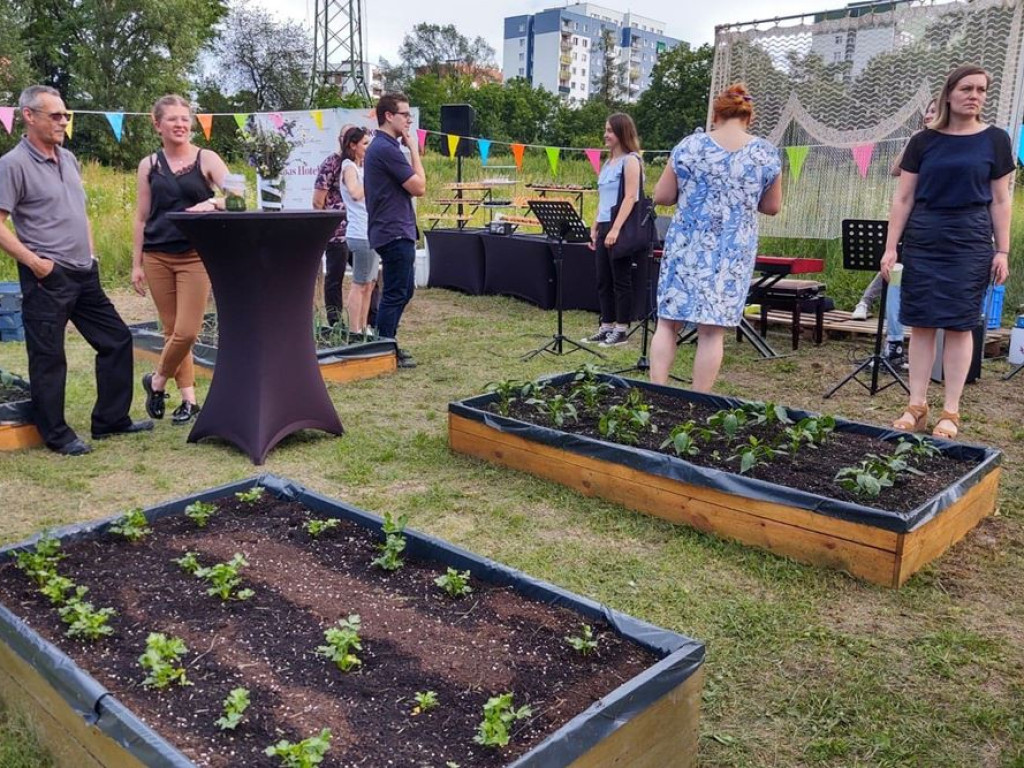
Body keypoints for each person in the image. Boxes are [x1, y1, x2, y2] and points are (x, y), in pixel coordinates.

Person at [0, 85, 152, 455]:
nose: (63, 121)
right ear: (28, 116)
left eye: (65, 115)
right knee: (49, 356)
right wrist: (36, 263)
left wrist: (93, 254)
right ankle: (56, 434)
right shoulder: (12, 165)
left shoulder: (68, 159)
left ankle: (110, 420)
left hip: (85, 273)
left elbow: (79, 212)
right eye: (55, 115)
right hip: (46, 277)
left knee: (116, 339)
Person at [882, 65, 1013, 440]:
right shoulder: (923, 141)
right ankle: (916, 405)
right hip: (925, 236)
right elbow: (903, 197)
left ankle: (950, 411)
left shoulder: (995, 140)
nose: (975, 96)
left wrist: (1001, 250)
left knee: (959, 325)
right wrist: (891, 247)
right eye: (967, 89)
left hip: (970, 239)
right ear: (949, 94)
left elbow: (1001, 200)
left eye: (982, 90)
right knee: (921, 322)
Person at [649, 84, 782, 391]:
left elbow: (663, 195)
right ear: (748, 117)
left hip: (687, 246)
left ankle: (657, 394)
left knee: (668, 323)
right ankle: (698, 400)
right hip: (731, 251)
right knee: (712, 332)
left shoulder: (689, 146)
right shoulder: (765, 153)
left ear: (716, 114)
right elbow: (772, 206)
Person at [132, 94, 230, 426]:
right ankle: (189, 400)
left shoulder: (207, 158)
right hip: (157, 256)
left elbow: (239, 197)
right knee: (172, 330)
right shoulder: (149, 164)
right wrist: (136, 264)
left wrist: (213, 204)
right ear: (157, 123)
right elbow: (141, 217)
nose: (180, 124)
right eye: (172, 119)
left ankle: (156, 381)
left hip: (195, 257)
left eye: (185, 119)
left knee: (187, 331)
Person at [849, 99, 939, 368]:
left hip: (939, 225)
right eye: (927, 111)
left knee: (910, 278)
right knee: (894, 272)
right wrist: (913, 141)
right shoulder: (919, 141)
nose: (929, 115)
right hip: (911, 222)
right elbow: (895, 170)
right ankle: (894, 344)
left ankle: (869, 306)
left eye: (935, 110)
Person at [364, 92, 426, 369]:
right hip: (393, 230)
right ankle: (384, 348)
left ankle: (385, 343)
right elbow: (419, 187)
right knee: (395, 292)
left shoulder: (382, 146)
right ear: (389, 116)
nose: (409, 120)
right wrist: (413, 149)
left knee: (404, 290)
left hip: (394, 229)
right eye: (405, 115)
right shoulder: (387, 148)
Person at [581, 113, 642, 348]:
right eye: (605, 130)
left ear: (621, 133)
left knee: (620, 280)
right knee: (603, 279)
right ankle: (606, 325)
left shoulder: (631, 161)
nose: (606, 135)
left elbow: (630, 197)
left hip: (621, 226)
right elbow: (603, 200)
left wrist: (615, 228)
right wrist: (595, 226)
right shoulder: (607, 164)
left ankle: (621, 329)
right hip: (605, 224)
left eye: (610, 131)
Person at [338, 126, 378, 335]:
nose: (367, 148)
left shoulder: (362, 168)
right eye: (364, 144)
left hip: (371, 231)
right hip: (359, 232)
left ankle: (364, 327)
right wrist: (373, 182)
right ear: (352, 146)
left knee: (370, 283)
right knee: (359, 282)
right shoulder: (348, 167)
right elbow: (354, 192)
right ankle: (354, 330)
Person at [313, 127, 350, 328]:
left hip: (358, 229)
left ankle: (367, 320)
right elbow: (317, 200)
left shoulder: (357, 164)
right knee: (335, 279)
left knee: (370, 278)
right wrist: (325, 228)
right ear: (340, 139)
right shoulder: (331, 163)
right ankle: (335, 322)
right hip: (337, 233)